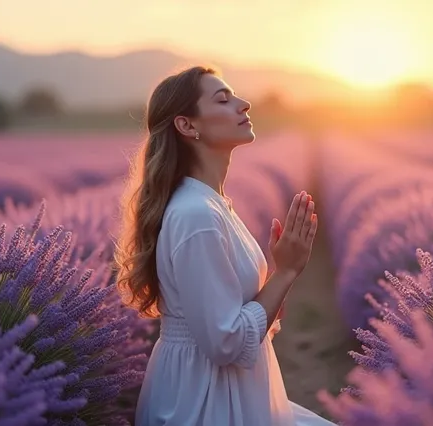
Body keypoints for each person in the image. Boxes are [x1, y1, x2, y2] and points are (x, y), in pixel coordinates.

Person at [113, 66, 336, 426]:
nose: (244, 104)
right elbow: (226, 343)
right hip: (206, 401)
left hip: (221, 388)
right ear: (187, 126)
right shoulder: (197, 215)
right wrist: (287, 272)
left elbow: (228, 316)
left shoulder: (213, 205)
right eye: (224, 98)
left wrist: (273, 290)